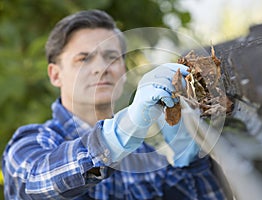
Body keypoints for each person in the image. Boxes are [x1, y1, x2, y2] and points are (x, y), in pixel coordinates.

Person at [2, 10, 226, 199]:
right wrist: (117, 135)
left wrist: (187, 158)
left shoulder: (146, 156)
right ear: (55, 74)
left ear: (123, 71)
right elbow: (34, 180)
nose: (102, 68)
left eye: (112, 57)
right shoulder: (32, 143)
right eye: (83, 58)